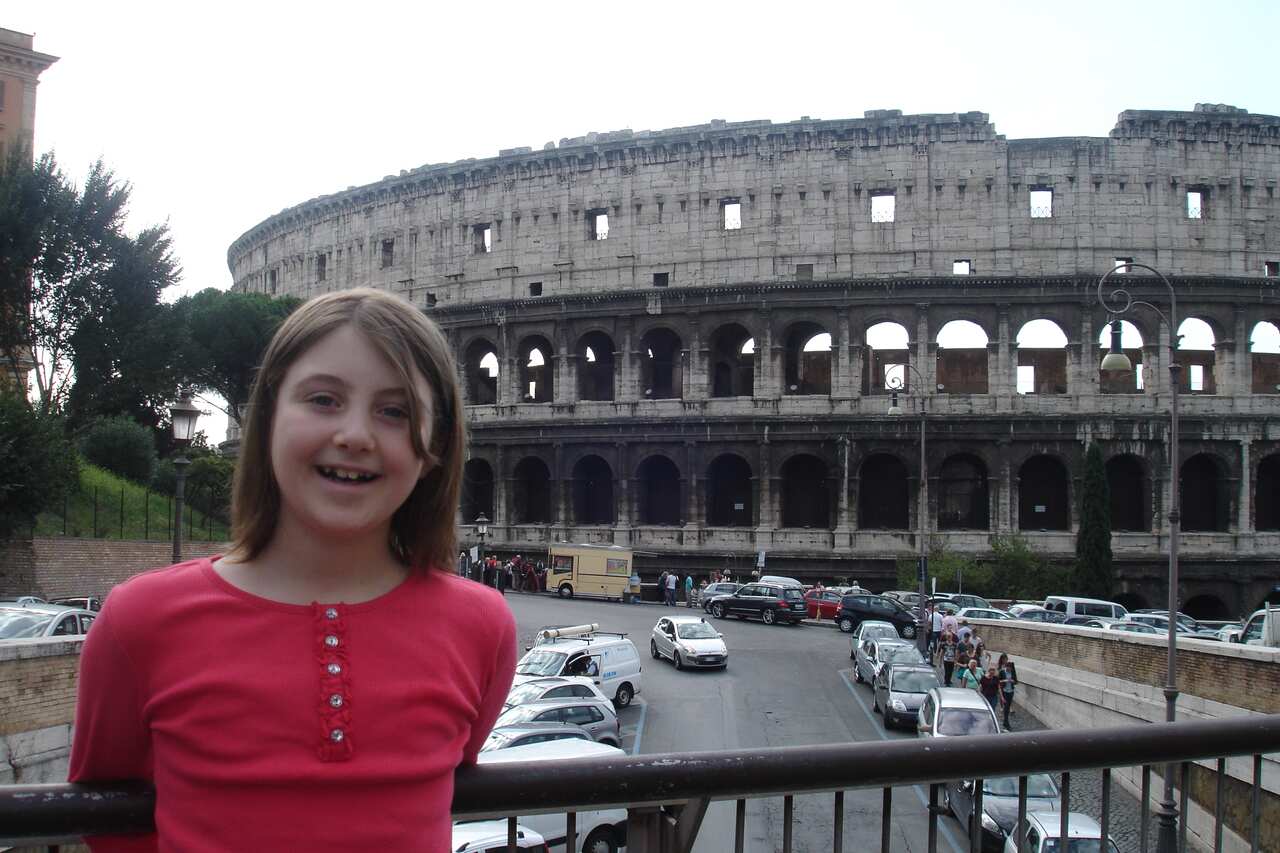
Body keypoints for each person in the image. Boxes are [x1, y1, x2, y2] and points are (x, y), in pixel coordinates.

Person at [67, 288, 517, 850]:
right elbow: (104, 814)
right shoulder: (140, 621)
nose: (354, 435)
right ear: (268, 416)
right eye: (324, 399)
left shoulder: (481, 627)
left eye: (395, 411)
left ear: (435, 448)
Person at [998, 654, 1019, 728]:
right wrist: (1005, 680)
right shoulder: (1002, 672)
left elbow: (1016, 681)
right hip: (1004, 691)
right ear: (1005, 667)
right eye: (1008, 668)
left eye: (1010, 668)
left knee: (1008, 706)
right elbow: (998, 681)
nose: (1009, 670)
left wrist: (1013, 681)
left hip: (1011, 691)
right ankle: (1006, 722)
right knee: (1006, 707)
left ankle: (1005, 721)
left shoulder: (1013, 672)